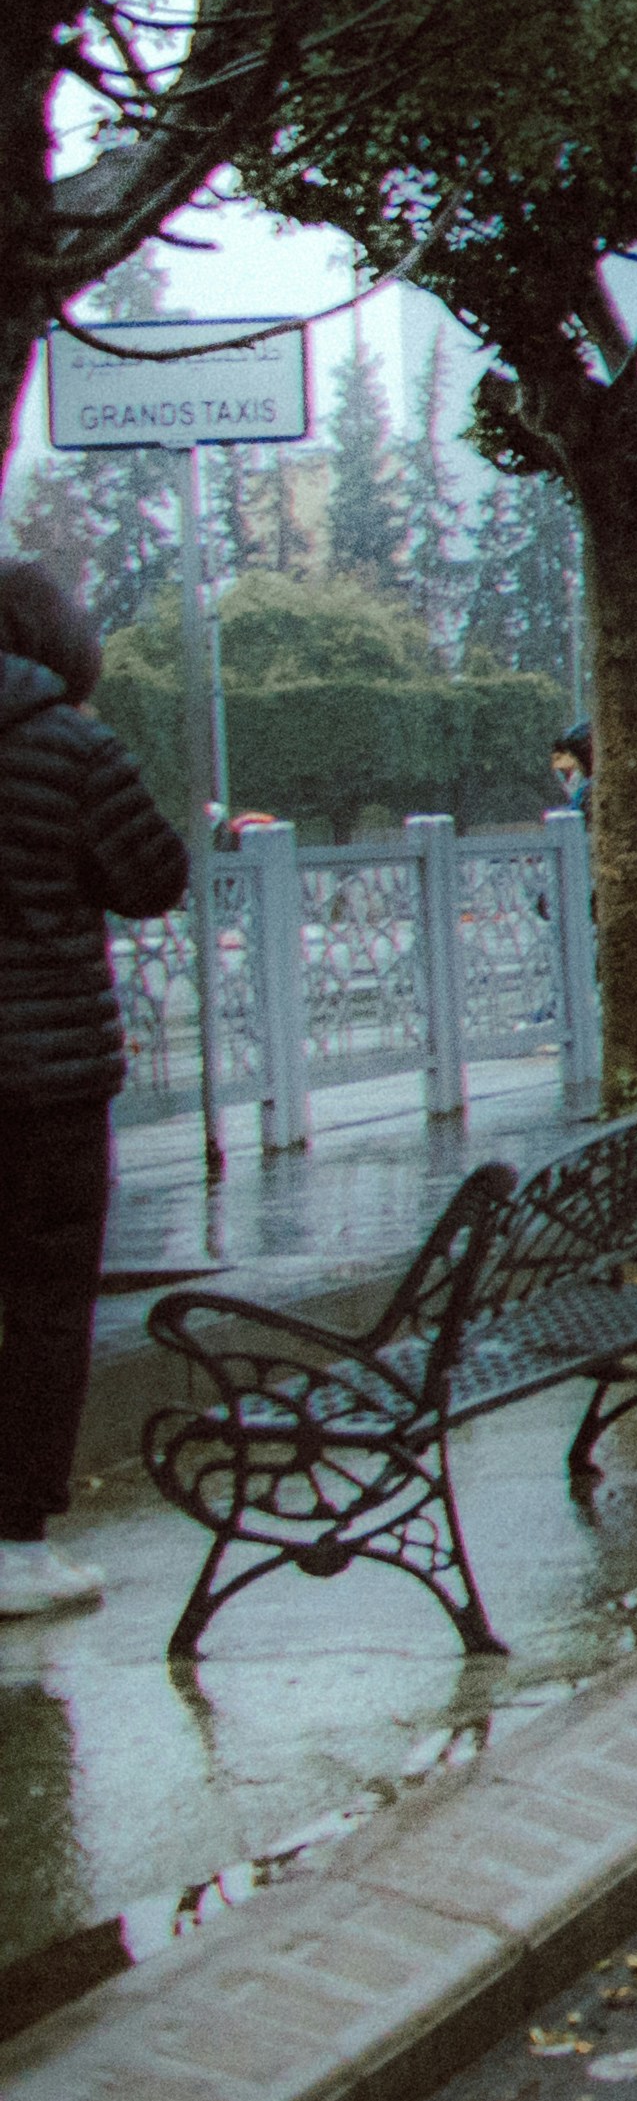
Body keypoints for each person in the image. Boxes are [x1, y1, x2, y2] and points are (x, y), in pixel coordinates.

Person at [0, 566, 186, 1623]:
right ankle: (14, 1543)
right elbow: (152, 878)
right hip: (48, 1084)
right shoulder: (71, 747)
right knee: (44, 1308)